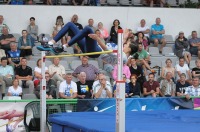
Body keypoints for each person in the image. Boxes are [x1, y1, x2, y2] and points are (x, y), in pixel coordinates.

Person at [37, 22, 138, 66]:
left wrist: (98, 38)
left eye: (126, 45)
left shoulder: (123, 57)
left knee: (89, 29)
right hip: (90, 48)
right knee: (70, 25)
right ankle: (51, 43)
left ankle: (64, 46)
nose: (124, 45)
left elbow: (108, 50)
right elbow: (121, 43)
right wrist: (125, 37)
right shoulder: (122, 52)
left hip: (96, 52)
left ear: (129, 49)